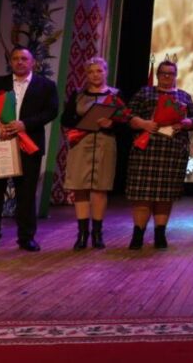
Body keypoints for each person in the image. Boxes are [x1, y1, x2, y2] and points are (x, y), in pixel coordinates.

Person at [0, 47, 59, 254]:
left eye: (24, 58)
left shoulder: (46, 85)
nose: (19, 62)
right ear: (10, 62)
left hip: (28, 143)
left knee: (26, 193)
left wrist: (25, 124)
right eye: (15, 58)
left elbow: (51, 111)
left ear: (33, 63)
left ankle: (26, 238)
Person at [125, 60, 193, 250]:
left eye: (171, 73)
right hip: (146, 151)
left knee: (165, 196)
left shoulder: (183, 96)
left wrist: (186, 123)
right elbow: (127, 115)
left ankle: (160, 234)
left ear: (176, 76)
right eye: (163, 73)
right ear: (157, 75)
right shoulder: (144, 93)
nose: (167, 76)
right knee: (142, 196)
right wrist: (143, 124)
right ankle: (138, 235)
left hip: (172, 152)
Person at [60, 57, 124, 250]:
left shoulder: (115, 95)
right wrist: (84, 122)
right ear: (86, 75)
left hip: (105, 143)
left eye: (99, 71)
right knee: (80, 188)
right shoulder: (78, 95)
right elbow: (65, 119)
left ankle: (97, 233)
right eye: (91, 72)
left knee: (100, 188)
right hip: (81, 144)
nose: (95, 75)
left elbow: (125, 122)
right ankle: (82, 234)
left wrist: (111, 123)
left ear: (106, 72)